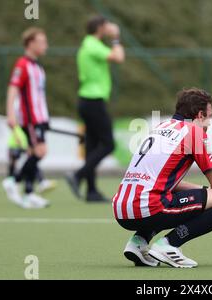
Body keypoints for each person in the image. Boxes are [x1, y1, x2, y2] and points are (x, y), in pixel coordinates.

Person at [113, 88, 212, 268]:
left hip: (122, 210)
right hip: (149, 208)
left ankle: (138, 243)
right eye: (209, 116)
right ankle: (169, 245)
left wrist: (204, 193)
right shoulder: (194, 132)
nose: (210, 123)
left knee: (173, 195)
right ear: (200, 115)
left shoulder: (160, 128)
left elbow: (167, 183)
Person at [66, 15, 125, 203]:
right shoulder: (93, 44)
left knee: (92, 147)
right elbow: (119, 57)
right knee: (108, 144)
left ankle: (91, 191)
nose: (109, 27)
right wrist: (115, 37)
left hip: (87, 101)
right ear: (100, 27)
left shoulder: (90, 44)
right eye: (106, 25)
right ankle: (78, 175)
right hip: (93, 101)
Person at [2, 27, 50, 209]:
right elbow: (13, 89)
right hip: (31, 119)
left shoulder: (36, 66)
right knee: (40, 152)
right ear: (31, 43)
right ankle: (13, 181)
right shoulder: (22, 65)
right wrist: (11, 114)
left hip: (40, 117)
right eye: (42, 41)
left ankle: (29, 194)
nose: (45, 45)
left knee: (33, 153)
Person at [6, 124, 57, 195]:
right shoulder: (21, 122)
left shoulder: (24, 123)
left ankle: (31, 188)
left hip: (23, 145)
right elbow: (13, 127)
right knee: (20, 165)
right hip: (17, 145)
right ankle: (14, 182)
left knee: (32, 164)